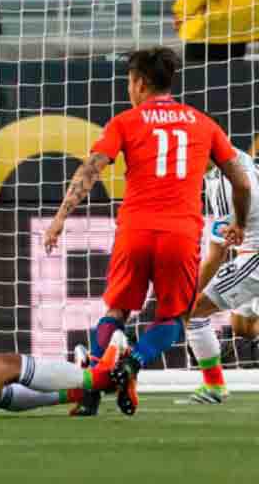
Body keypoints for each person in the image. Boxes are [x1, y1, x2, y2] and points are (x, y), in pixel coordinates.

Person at [43, 46, 252, 416]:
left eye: (128, 82)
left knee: (117, 310)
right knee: (174, 318)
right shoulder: (203, 123)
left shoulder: (126, 121)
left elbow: (89, 171)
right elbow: (242, 183)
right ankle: (133, 363)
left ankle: (93, 386)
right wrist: (237, 220)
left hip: (135, 230)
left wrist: (60, 218)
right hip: (180, 234)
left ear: (139, 83)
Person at [183, 148, 259, 404]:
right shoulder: (233, 159)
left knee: (194, 309)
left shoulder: (226, 188)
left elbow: (216, 256)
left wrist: (188, 295)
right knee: (244, 327)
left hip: (254, 256)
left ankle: (214, 386)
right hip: (249, 251)